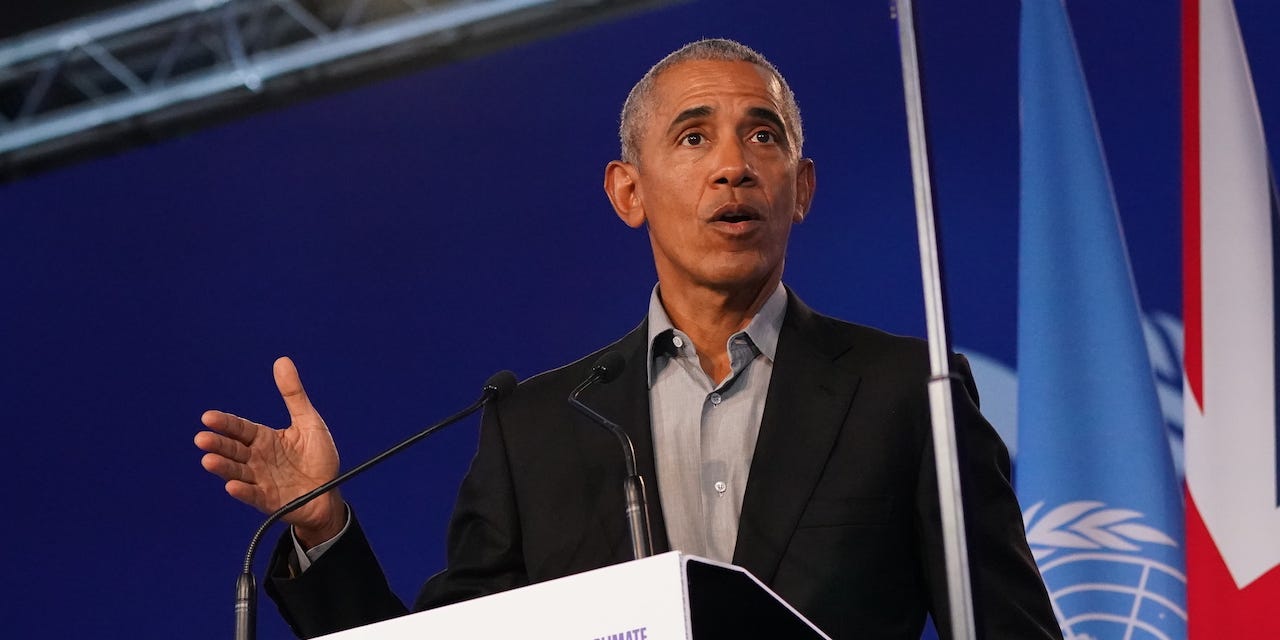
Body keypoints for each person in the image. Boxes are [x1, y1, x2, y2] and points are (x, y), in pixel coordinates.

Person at [195, 39, 1062, 639]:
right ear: (628, 192)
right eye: (694, 136)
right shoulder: (535, 426)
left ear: (799, 189)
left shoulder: (907, 392)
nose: (734, 164)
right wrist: (323, 525)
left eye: (763, 136)